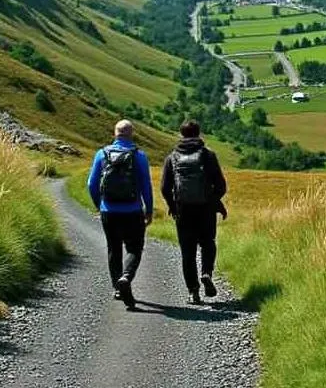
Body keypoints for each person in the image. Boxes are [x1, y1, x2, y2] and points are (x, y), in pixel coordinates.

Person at [87, 119, 153, 309]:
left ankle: (118, 287)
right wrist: (148, 210)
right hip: (133, 211)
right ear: (132, 134)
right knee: (134, 248)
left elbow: (91, 184)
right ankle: (127, 276)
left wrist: (99, 205)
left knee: (113, 249)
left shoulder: (102, 154)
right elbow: (146, 186)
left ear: (115, 133)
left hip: (109, 211)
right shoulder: (139, 155)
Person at [160, 120, 227, 304]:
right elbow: (221, 186)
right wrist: (213, 202)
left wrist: (173, 207)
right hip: (205, 209)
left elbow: (165, 188)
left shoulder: (172, 157)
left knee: (187, 252)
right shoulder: (207, 155)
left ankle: (193, 292)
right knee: (208, 243)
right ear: (199, 133)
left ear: (181, 135)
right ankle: (206, 273)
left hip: (183, 210)